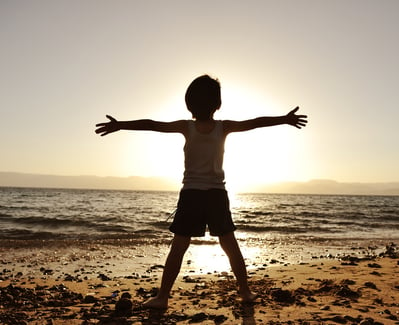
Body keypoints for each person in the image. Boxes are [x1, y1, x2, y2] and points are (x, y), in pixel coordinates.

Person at [95, 75, 308, 309]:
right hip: (216, 195)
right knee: (229, 245)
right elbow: (255, 122)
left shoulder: (186, 127)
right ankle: (245, 292)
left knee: (179, 246)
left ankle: (162, 297)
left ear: (189, 104)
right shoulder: (223, 127)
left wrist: (120, 125)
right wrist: (285, 119)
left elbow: (152, 124)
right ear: (218, 104)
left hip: (192, 195)